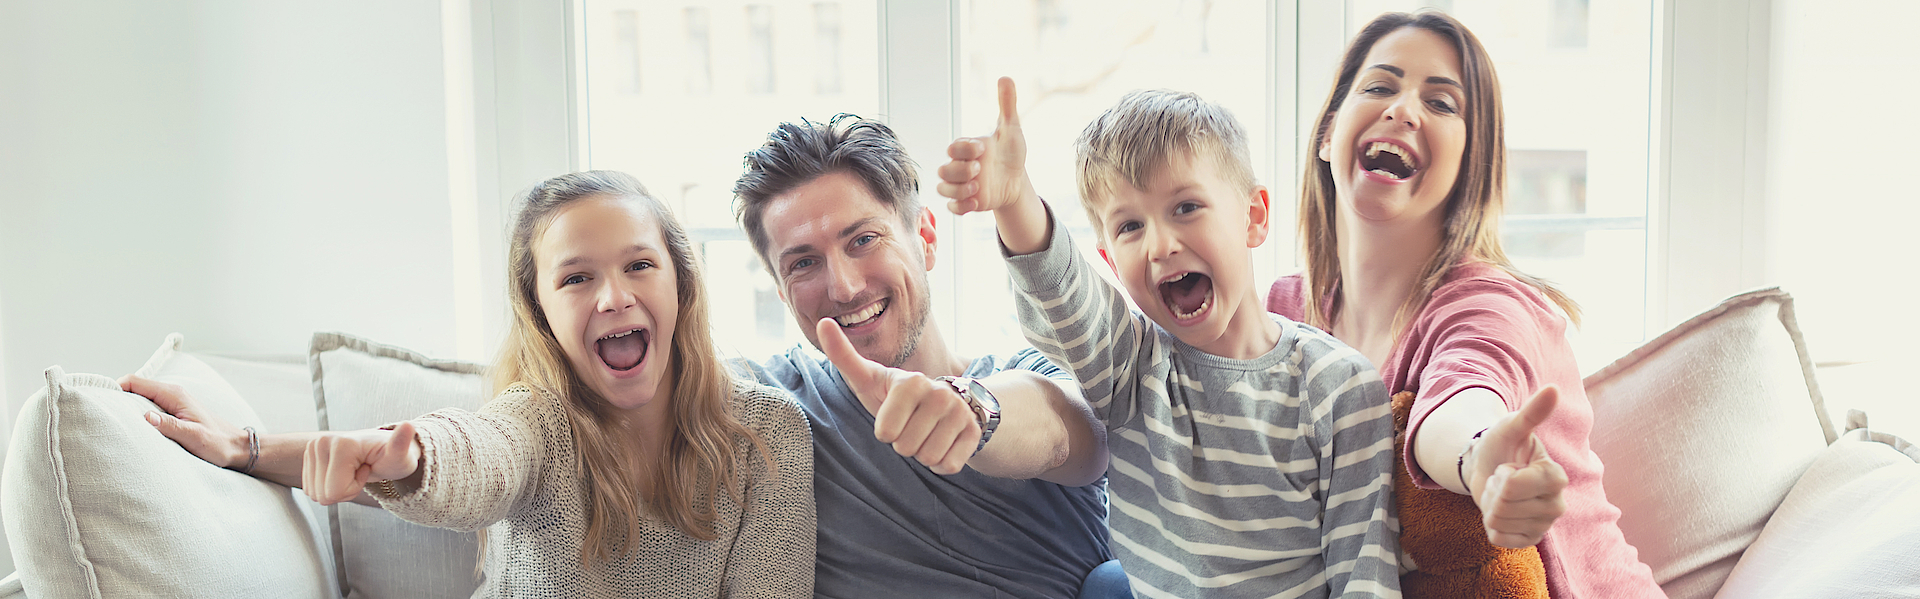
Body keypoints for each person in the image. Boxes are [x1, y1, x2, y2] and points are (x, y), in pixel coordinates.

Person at [124, 171, 815, 597]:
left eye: (639, 264)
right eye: (576, 277)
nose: (612, 297)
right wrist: (406, 457)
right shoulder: (537, 423)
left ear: (681, 282)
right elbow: (472, 453)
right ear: (540, 309)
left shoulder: (767, 431)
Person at [939, 80, 1401, 597]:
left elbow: (1365, 574)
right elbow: (1063, 293)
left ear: (1254, 216)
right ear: (1111, 260)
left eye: (1186, 208)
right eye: (1130, 226)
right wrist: (1014, 201)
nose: (1160, 245)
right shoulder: (1131, 365)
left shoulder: (1341, 387)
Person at [1267, 11, 1662, 597]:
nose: (1402, 109)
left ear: (1468, 165)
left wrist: (1481, 460)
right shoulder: (1284, 309)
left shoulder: (1493, 305)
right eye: (1379, 86)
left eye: (1443, 102)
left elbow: (1463, 396)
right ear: (1327, 135)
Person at [727, 114, 1123, 599]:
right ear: (782, 292)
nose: (845, 287)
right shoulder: (770, 406)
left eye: (864, 240)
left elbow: (1071, 435)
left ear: (926, 238)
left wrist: (969, 409)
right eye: (804, 263)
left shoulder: (1027, 373)